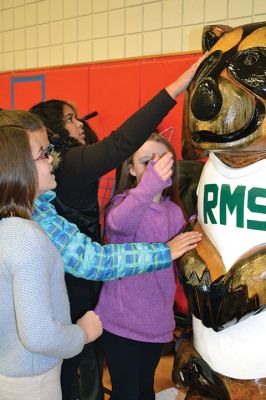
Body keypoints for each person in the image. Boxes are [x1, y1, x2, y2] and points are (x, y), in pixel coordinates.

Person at [29, 56, 205, 400]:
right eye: (41, 153)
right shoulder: (79, 176)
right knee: (81, 377)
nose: (79, 123)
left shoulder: (45, 206)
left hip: (133, 317)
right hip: (91, 307)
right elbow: (99, 254)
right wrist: (179, 86)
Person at [0, 124, 103, 400]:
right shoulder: (26, 237)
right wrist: (82, 333)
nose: (51, 160)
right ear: (20, 170)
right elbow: (39, 335)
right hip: (31, 382)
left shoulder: (8, 230)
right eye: (43, 155)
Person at [96, 132, 198, 400]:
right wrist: (148, 187)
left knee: (144, 390)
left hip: (156, 323)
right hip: (120, 323)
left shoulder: (173, 211)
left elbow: (182, 259)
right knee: (127, 392)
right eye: (146, 163)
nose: (155, 170)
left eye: (162, 163)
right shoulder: (122, 204)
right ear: (130, 170)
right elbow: (119, 224)